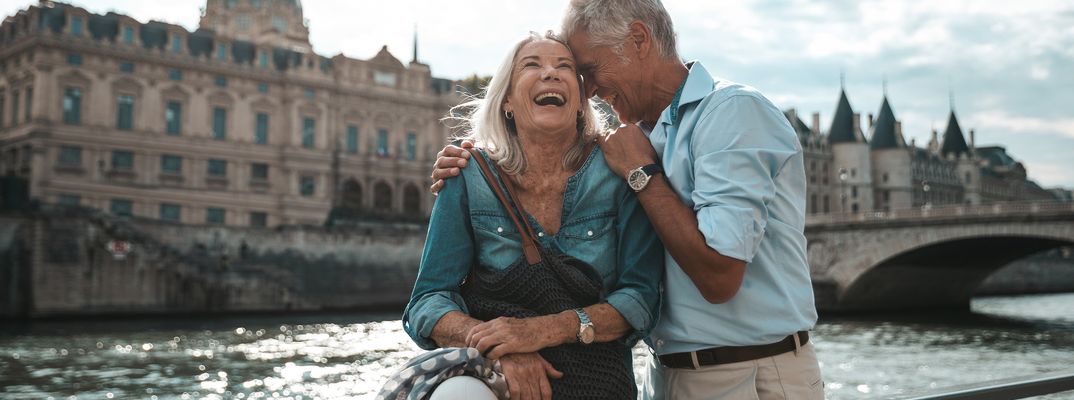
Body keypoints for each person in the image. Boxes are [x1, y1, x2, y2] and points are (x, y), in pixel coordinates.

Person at [430, 1, 824, 398]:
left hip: (751, 372)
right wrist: (470, 161)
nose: (590, 89)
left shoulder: (732, 112)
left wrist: (642, 174)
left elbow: (719, 278)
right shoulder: (635, 137)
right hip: (669, 374)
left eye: (587, 69)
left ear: (638, 40)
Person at [403, 31, 663, 400]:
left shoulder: (619, 171)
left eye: (564, 67)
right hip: (493, 378)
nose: (550, 73)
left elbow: (640, 299)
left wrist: (539, 332)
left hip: (598, 378)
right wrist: (497, 349)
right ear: (507, 99)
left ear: (580, 101)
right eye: (532, 65)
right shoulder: (468, 174)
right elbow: (427, 302)